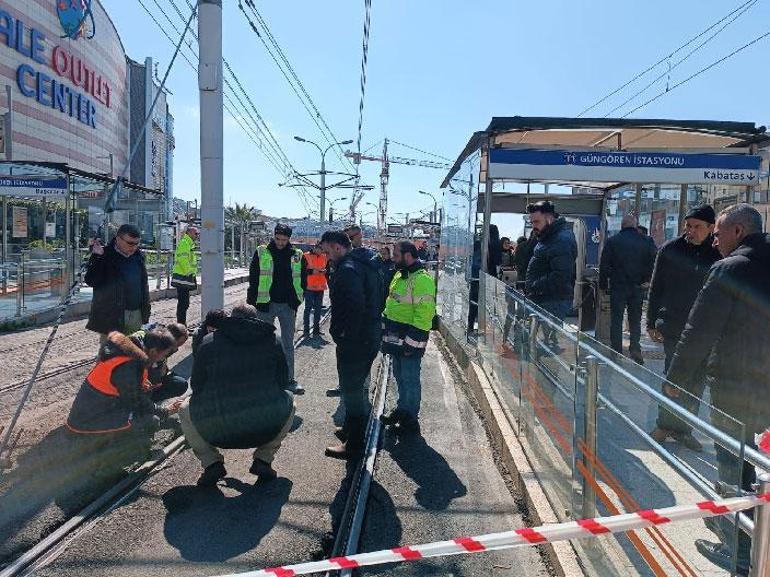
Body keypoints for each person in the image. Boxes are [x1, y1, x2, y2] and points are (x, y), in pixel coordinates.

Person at [665, 204, 770, 575]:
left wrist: (674, 383)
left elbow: (699, 332)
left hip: (732, 387)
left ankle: (738, 551)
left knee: (733, 466)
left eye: (718, 233)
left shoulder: (729, 269)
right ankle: (751, 531)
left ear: (738, 231)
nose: (714, 240)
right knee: (760, 466)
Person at [179, 304, 295, 487]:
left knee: (185, 408)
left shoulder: (209, 342)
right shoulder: (275, 341)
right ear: (256, 319)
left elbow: (197, 385)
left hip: (218, 430)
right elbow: (283, 382)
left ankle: (211, 463)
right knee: (291, 402)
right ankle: (263, 459)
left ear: (231, 318)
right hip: (262, 429)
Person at [648, 205, 721, 450]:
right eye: (688, 226)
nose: (690, 231)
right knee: (674, 376)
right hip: (674, 325)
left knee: (696, 382)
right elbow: (656, 287)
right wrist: (651, 321)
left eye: (697, 227)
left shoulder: (718, 254)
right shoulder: (670, 249)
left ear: (711, 228)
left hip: (706, 330)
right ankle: (664, 424)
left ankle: (684, 429)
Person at [66, 326, 180, 473]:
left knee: (146, 415)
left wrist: (139, 383)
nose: (163, 358)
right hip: (87, 422)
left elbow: (123, 385)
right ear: (153, 351)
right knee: (149, 421)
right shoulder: (129, 364)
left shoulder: (128, 351)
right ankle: (111, 462)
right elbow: (136, 401)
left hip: (92, 409)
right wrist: (164, 411)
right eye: (163, 355)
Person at [321, 230, 384, 459]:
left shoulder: (348, 270)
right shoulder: (366, 262)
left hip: (356, 340)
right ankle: (350, 430)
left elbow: (354, 306)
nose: (327, 257)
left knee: (352, 389)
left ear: (338, 247)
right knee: (354, 386)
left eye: (328, 251)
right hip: (371, 332)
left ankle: (355, 444)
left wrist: (345, 333)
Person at [381, 240, 437, 434]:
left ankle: (410, 421)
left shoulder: (422, 279)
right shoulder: (400, 274)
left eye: (396, 255)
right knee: (400, 376)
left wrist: (410, 344)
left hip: (409, 340)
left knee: (410, 379)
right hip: (396, 338)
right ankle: (402, 409)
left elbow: (424, 315)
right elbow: (392, 304)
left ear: (408, 255)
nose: (393, 258)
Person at [247, 223, 307, 395]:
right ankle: (262, 378)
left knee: (288, 344)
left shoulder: (297, 255)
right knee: (262, 342)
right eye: (278, 239)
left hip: (287, 306)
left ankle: (289, 380)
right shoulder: (262, 251)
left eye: (284, 239)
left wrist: (297, 301)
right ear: (274, 236)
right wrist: (254, 300)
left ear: (289, 239)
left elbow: (302, 278)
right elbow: (254, 276)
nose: (280, 242)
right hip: (265, 304)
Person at [599, 214, 657, 364]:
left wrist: (603, 285)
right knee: (635, 320)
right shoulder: (646, 241)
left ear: (622, 226)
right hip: (638, 286)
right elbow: (654, 261)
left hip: (618, 286)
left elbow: (604, 265)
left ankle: (616, 350)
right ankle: (635, 349)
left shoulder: (613, 241)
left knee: (616, 319)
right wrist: (647, 279)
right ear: (635, 226)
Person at [525, 201, 577, 348]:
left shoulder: (561, 240)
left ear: (549, 219)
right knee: (537, 346)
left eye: (536, 221)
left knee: (544, 348)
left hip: (552, 301)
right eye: (532, 222)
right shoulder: (548, 236)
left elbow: (560, 276)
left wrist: (534, 286)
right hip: (544, 298)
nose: (533, 225)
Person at [85, 224, 150, 341]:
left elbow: (143, 285)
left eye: (137, 243)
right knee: (111, 356)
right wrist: (97, 258)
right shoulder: (104, 254)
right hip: (112, 315)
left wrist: (145, 312)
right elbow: (91, 280)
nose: (134, 247)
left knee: (134, 353)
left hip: (136, 314)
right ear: (118, 239)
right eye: (130, 243)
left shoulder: (138, 256)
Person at [172, 225, 199, 325]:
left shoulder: (188, 243)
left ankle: (182, 324)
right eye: (196, 233)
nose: (197, 236)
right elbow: (182, 259)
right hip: (183, 277)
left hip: (185, 277)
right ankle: (181, 325)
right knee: (183, 303)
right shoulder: (185, 243)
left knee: (184, 303)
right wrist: (190, 273)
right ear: (189, 233)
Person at [302, 242, 328, 337]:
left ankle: (316, 330)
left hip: (320, 287)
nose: (322, 251)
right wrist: (312, 271)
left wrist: (325, 271)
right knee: (308, 309)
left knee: (317, 310)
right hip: (309, 287)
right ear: (315, 247)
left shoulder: (323, 256)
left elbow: (327, 268)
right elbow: (302, 270)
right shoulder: (306, 256)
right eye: (321, 249)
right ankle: (306, 330)